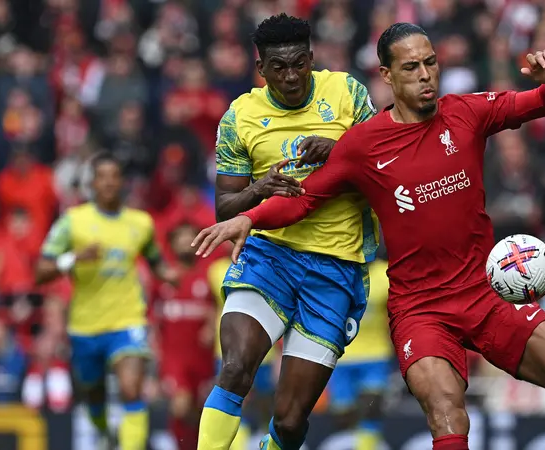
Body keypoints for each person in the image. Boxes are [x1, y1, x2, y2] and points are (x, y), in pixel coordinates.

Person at [192, 23, 545, 450]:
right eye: (411, 67)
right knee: (447, 415)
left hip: (486, 293)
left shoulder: (468, 112)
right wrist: (250, 218)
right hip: (421, 309)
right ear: (387, 76)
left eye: (431, 63)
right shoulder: (362, 144)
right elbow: (304, 199)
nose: (425, 75)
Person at [197, 13, 380, 450]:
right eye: (279, 67)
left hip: (335, 267)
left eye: (300, 63)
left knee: (292, 418)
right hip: (268, 258)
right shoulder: (240, 116)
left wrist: (339, 152)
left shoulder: (347, 93)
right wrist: (260, 188)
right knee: (237, 367)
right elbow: (226, 205)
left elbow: (383, 165)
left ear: (312, 58)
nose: (292, 75)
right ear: (261, 69)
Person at [35, 152, 177, 450]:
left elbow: (155, 261)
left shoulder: (141, 223)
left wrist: (171, 274)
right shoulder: (72, 223)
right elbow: (40, 271)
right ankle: (103, 433)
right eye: (103, 177)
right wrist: (74, 258)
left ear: (123, 182)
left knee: (131, 389)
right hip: (85, 325)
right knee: (94, 395)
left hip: (127, 319)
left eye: (115, 176)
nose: (110, 182)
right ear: (92, 183)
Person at [152, 224, 217, 450]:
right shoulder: (165, 277)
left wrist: (210, 327)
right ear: (172, 244)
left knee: (199, 410)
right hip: (174, 355)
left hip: (200, 356)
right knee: (180, 404)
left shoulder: (206, 274)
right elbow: (152, 315)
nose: (185, 243)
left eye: (190, 238)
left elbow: (213, 308)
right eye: (180, 239)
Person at [207, 254, 281, 450]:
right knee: (239, 398)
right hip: (228, 350)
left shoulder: (273, 262)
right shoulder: (216, 270)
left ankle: (269, 441)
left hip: (266, 350)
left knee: (265, 404)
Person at [326, 257, 392, 450]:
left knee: (371, 407)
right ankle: (354, 442)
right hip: (341, 356)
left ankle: (367, 445)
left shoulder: (384, 273)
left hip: (375, 355)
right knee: (343, 415)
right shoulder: (335, 271)